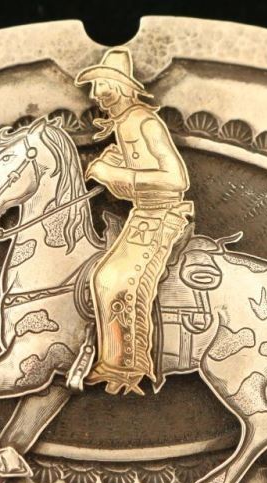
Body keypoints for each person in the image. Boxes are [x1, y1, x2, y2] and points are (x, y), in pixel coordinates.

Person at [75, 47, 193, 395]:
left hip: (162, 214)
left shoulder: (144, 122)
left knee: (115, 279)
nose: (96, 95)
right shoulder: (124, 124)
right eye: (94, 87)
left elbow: (176, 180)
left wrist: (116, 173)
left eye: (102, 86)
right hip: (143, 213)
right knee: (101, 275)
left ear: (122, 87)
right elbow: (134, 182)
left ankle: (126, 366)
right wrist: (112, 172)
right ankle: (113, 360)